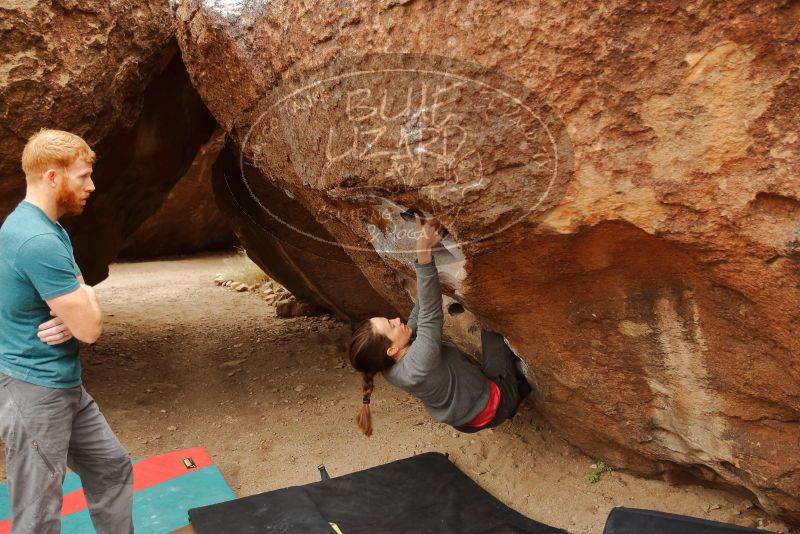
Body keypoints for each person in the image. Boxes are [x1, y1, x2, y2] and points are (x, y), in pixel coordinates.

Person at [0, 129, 133, 533]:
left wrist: (82, 296)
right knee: (37, 514)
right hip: (35, 392)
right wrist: (85, 301)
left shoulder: (39, 227)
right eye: (83, 176)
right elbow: (90, 329)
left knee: (111, 467)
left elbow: (78, 304)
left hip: (64, 387)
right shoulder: (37, 239)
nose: (91, 186)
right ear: (53, 177)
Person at [348, 215, 531, 436]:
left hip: (464, 420)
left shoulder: (388, 363)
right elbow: (430, 314)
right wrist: (423, 253)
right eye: (391, 325)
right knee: (492, 326)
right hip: (494, 407)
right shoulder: (418, 364)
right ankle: (519, 393)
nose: (397, 320)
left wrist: (423, 250)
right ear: (392, 350)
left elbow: (421, 311)